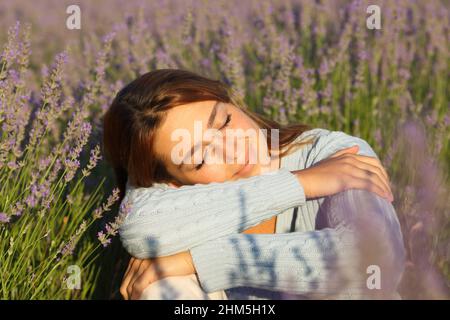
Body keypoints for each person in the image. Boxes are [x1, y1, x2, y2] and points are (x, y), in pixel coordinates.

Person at [102, 69, 405, 300]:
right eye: (199, 158)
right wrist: (299, 185)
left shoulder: (335, 154)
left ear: (230, 100)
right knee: (162, 288)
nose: (233, 148)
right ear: (172, 184)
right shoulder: (183, 200)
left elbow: (375, 259)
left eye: (223, 122)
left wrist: (197, 260)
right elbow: (138, 226)